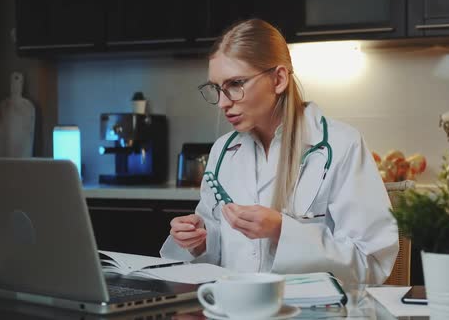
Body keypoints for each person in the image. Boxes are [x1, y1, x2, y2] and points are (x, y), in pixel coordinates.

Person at [160, 19, 398, 285]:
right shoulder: (223, 152)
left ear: (279, 79)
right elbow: (220, 254)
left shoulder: (343, 145)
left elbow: (372, 264)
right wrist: (199, 241)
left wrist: (282, 231)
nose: (223, 103)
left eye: (236, 84)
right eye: (216, 88)